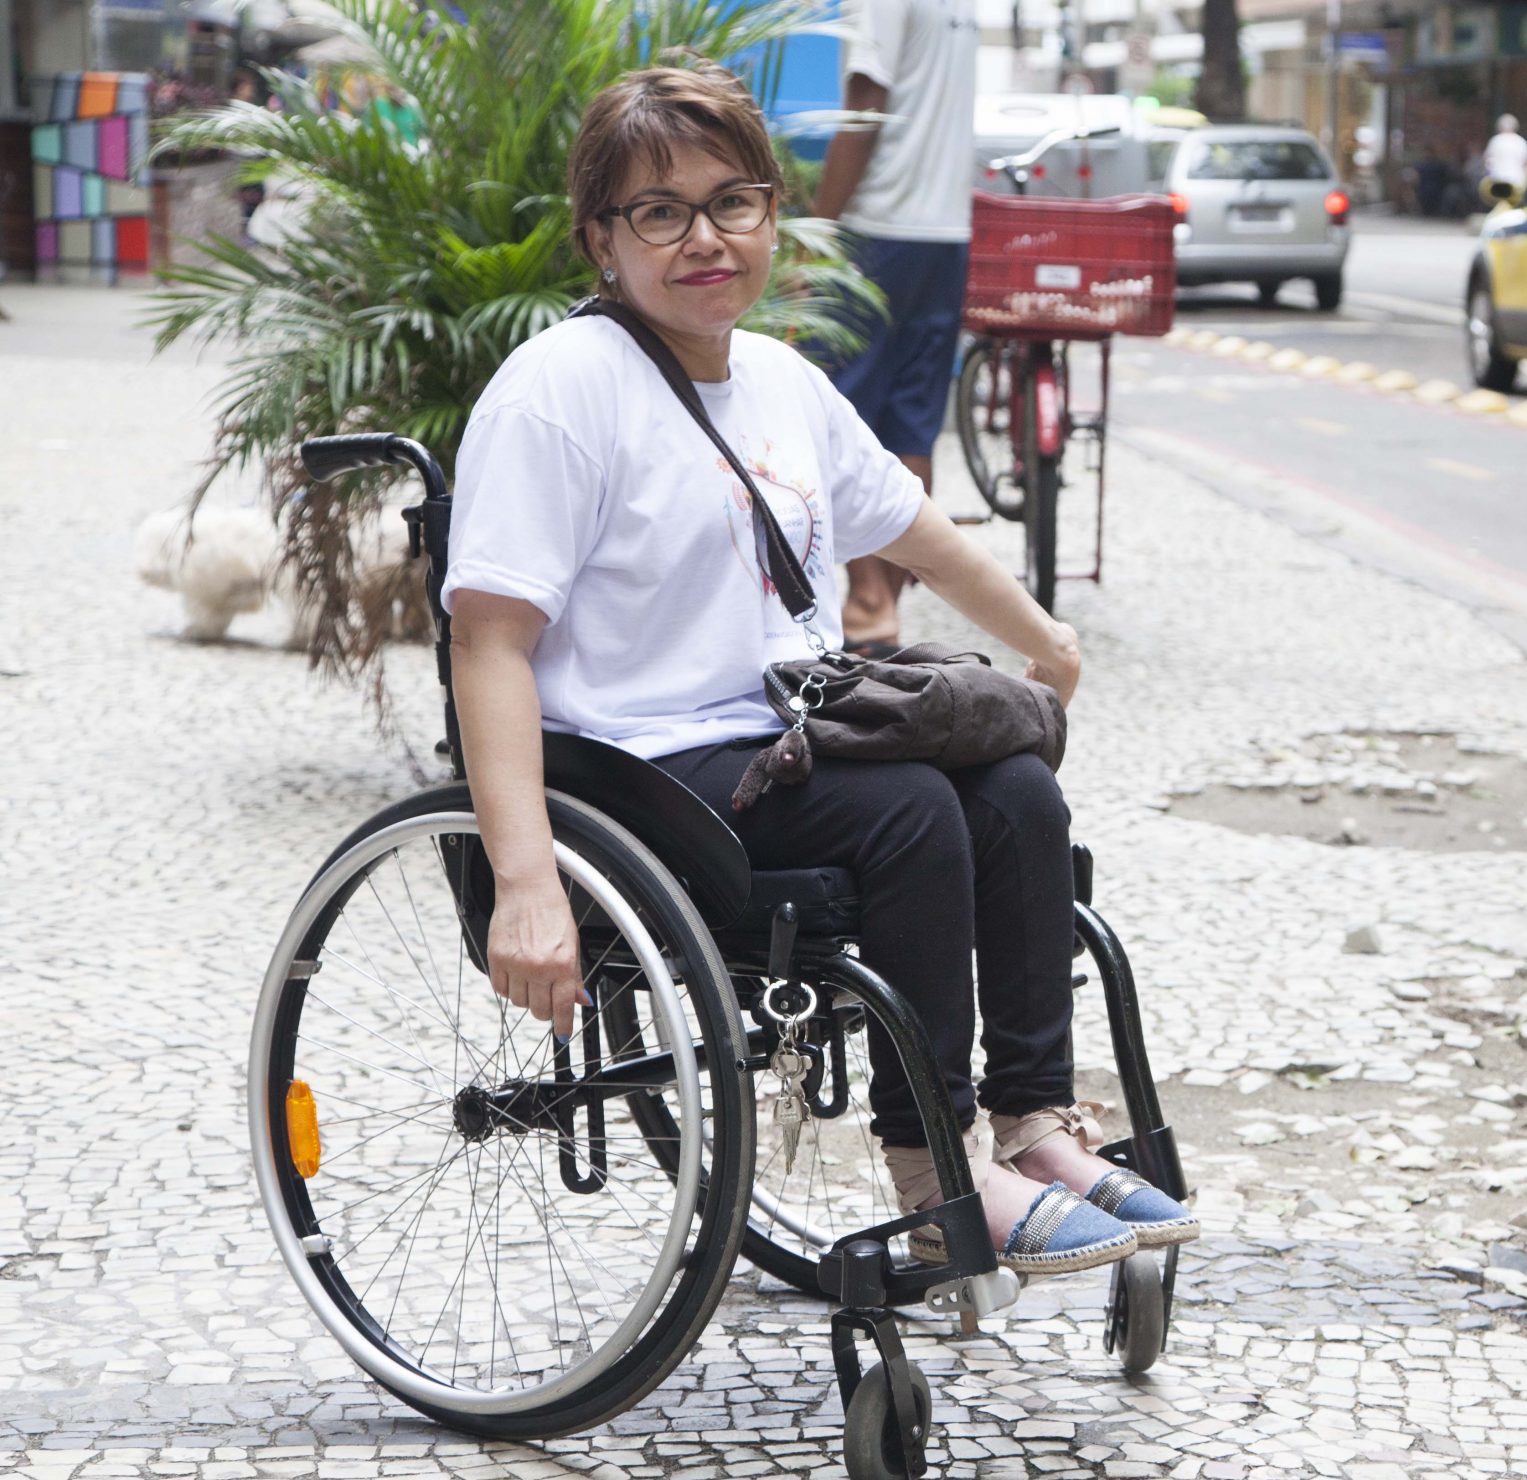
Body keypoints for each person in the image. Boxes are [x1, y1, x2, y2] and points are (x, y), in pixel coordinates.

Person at [444, 64, 1197, 1277]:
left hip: (780, 727)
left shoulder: (781, 382)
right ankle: (938, 1171)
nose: (705, 238)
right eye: (660, 211)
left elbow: (910, 529)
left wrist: (1046, 642)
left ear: (772, 215)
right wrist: (523, 877)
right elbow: (486, 641)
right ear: (601, 238)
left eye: (733, 202)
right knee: (906, 812)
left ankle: (1036, 1125)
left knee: (1013, 789)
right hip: (638, 763)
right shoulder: (559, 393)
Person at [812, 0, 980, 656]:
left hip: (878, 230)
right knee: (912, 422)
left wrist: (819, 232)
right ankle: (885, 610)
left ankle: (869, 599)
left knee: (838, 414)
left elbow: (864, 106)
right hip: (945, 236)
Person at [1482, 114, 1527, 192]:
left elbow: (1487, 161)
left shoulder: (1495, 141)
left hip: (1498, 180)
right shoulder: (1521, 141)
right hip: (1517, 180)